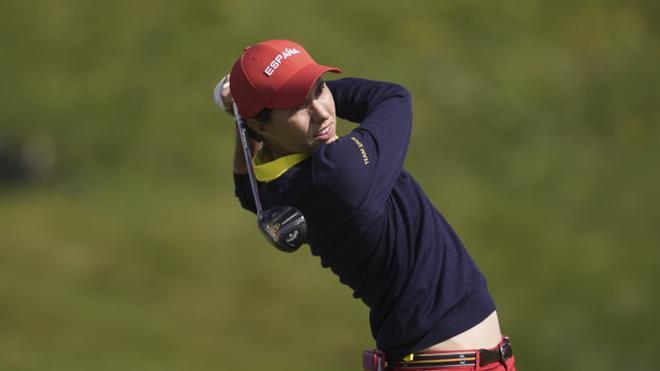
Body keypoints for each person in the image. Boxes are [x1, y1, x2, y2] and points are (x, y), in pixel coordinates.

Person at [214, 39, 516, 371]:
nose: (321, 112)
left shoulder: (275, 187)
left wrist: (247, 117)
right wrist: (244, 113)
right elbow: (392, 98)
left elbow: (246, 188)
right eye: (297, 106)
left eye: (319, 89)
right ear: (261, 125)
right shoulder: (342, 170)